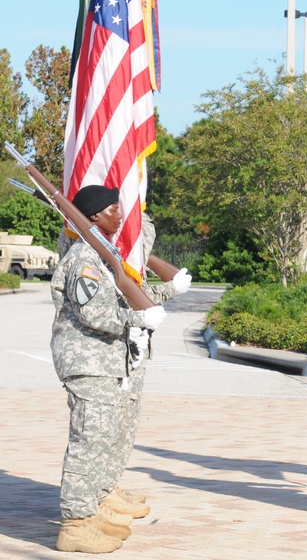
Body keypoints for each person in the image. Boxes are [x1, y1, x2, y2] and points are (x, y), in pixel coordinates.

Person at [50, 185, 167, 554]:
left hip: (105, 362)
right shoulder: (85, 257)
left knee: (101, 440)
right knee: (89, 443)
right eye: (114, 209)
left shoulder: (101, 254)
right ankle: (75, 525)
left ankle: (93, 510)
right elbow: (94, 313)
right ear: (95, 216)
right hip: (89, 362)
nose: (121, 214)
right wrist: (139, 317)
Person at [100, 212, 192, 520]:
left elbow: (135, 289)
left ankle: (108, 487)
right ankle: (97, 496)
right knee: (106, 427)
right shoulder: (100, 258)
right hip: (111, 353)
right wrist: (170, 290)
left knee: (126, 424)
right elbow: (122, 298)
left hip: (132, 348)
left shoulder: (124, 257)